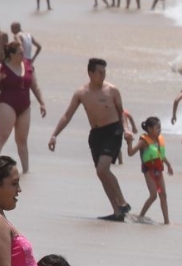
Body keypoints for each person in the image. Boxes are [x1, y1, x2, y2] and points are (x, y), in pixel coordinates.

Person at [49, 57, 131, 222]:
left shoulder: (112, 90)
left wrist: (127, 130)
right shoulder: (82, 93)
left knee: (103, 168)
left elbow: (122, 112)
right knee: (101, 173)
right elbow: (67, 115)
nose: (103, 75)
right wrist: (54, 134)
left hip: (113, 130)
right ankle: (117, 212)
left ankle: (122, 202)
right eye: (99, 72)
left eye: (104, 72)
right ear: (90, 73)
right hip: (96, 134)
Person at [0, 40, 46, 173]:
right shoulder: (2, 68)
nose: (23, 55)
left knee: (22, 140)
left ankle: (26, 171)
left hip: (25, 106)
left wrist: (42, 103)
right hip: (7, 104)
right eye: (20, 53)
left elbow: (35, 86)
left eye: (23, 52)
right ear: (11, 54)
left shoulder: (28, 66)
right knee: (2, 136)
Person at [125, 116, 173, 224]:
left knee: (163, 195)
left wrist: (168, 165)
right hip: (149, 171)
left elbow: (160, 155)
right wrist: (129, 143)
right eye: (157, 128)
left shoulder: (158, 140)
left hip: (158, 171)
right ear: (150, 129)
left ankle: (167, 221)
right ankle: (141, 216)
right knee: (153, 195)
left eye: (160, 127)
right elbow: (131, 153)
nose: (160, 130)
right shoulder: (143, 141)